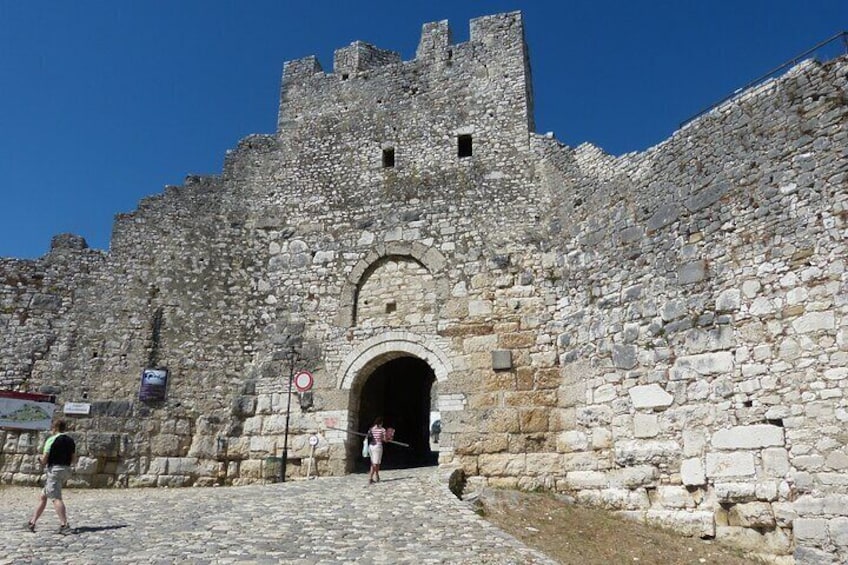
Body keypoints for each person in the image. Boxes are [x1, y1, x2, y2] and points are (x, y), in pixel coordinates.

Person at [27, 420, 76, 534]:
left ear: (54, 428)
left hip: (54, 470)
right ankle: (32, 522)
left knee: (56, 498)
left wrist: (39, 459)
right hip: (66, 469)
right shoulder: (70, 440)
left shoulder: (51, 440)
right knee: (43, 496)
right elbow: (74, 459)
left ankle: (64, 525)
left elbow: (44, 460)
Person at [367, 417, 387, 484]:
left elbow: (368, 437)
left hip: (371, 446)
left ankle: (376, 476)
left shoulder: (371, 429)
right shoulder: (382, 430)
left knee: (375, 462)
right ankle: (371, 477)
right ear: (381, 423)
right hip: (378, 446)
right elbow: (385, 439)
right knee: (375, 463)